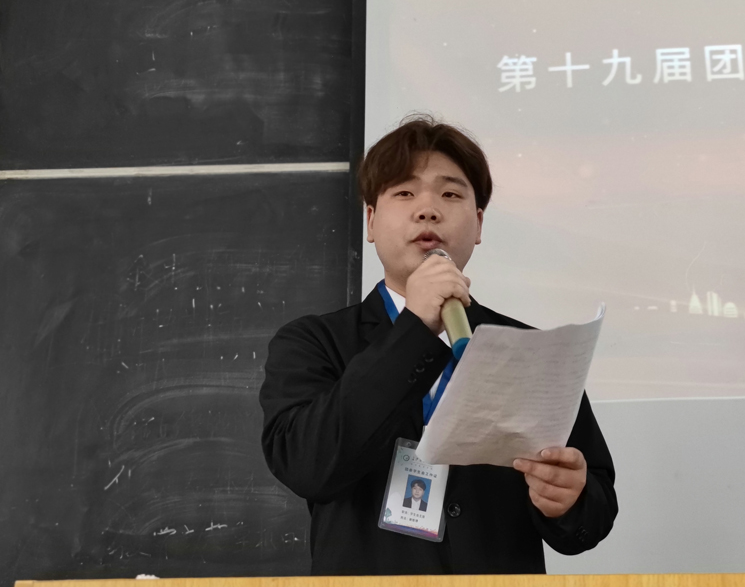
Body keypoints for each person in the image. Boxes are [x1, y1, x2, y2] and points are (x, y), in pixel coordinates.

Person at [259, 115, 617, 575]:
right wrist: (413, 330)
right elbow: (306, 465)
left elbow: (593, 507)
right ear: (371, 220)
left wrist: (569, 500)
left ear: (479, 223)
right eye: (404, 193)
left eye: (450, 194)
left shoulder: (531, 350)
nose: (428, 209)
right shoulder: (314, 342)